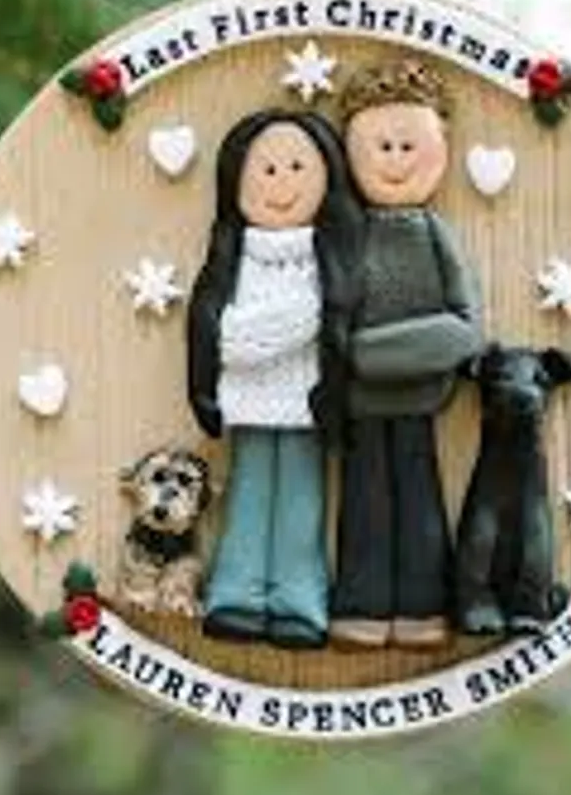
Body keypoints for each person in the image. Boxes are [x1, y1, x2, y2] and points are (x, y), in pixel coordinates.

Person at [187, 108, 362, 649]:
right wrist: (203, 387)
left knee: (302, 501)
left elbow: (338, 327)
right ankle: (235, 594)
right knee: (249, 492)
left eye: (296, 168)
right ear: (235, 181)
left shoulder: (331, 260)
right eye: (266, 171)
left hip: (309, 401)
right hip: (246, 401)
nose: (282, 185)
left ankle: (299, 599)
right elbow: (206, 324)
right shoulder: (232, 258)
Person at [331, 58, 484, 649]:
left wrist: (366, 352)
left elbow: (464, 330)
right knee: (363, 501)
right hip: (359, 406)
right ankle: (360, 604)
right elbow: (331, 316)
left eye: (407, 146)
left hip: (421, 400)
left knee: (421, 500)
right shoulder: (348, 236)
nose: (394, 160)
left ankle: (424, 605)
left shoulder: (436, 235)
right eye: (382, 147)